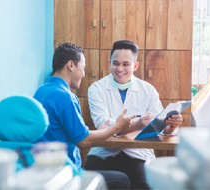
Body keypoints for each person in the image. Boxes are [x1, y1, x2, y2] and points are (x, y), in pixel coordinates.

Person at [33, 42, 136, 189]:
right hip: (65, 173)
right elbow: (84, 141)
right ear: (71, 65)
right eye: (83, 67)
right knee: (122, 180)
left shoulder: (42, 91)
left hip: (44, 169)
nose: (84, 74)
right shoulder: (65, 97)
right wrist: (117, 127)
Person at [84, 40, 183, 189]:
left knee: (143, 185)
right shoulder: (96, 89)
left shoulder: (148, 90)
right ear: (109, 62)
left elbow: (160, 127)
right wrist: (137, 125)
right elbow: (103, 126)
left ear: (135, 66)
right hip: (102, 154)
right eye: (116, 63)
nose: (120, 69)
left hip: (138, 155)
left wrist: (170, 126)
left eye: (126, 64)